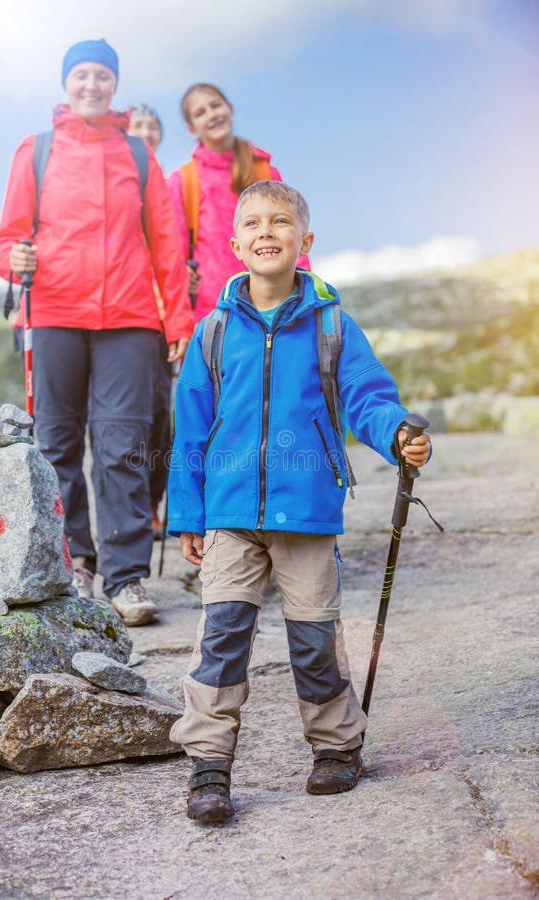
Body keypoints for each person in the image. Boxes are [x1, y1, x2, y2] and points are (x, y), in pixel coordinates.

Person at [166, 181, 432, 824]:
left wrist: (396, 432)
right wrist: (187, 514)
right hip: (230, 515)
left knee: (313, 639)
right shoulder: (214, 330)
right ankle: (208, 763)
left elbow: (366, 395)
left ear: (304, 242)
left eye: (280, 221)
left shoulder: (333, 324)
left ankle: (338, 747)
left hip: (306, 513)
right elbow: (190, 428)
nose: (267, 231)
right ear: (234, 245)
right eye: (253, 223)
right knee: (221, 638)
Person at [0, 40, 194, 627]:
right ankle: (75, 560)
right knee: (55, 443)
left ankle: (126, 577)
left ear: (114, 86)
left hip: (130, 317)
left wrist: (177, 319)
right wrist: (14, 259)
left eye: (102, 76)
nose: (91, 85)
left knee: (123, 446)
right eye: (81, 74)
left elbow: (166, 242)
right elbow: (7, 236)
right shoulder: (37, 150)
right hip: (53, 311)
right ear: (65, 83)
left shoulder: (136, 154)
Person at [167, 83, 309, 321]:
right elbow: (175, 256)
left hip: (274, 309)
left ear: (230, 108)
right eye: (200, 113)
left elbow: (292, 235)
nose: (212, 115)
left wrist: (303, 293)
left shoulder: (265, 172)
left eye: (215, 105)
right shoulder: (183, 181)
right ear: (191, 128)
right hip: (212, 315)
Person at [126, 102, 171, 539]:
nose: (144, 131)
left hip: (162, 321)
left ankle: (154, 504)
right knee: (126, 418)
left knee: (161, 417)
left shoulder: (171, 185)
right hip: (125, 315)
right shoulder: (114, 178)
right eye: (136, 124)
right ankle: (134, 508)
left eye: (151, 126)